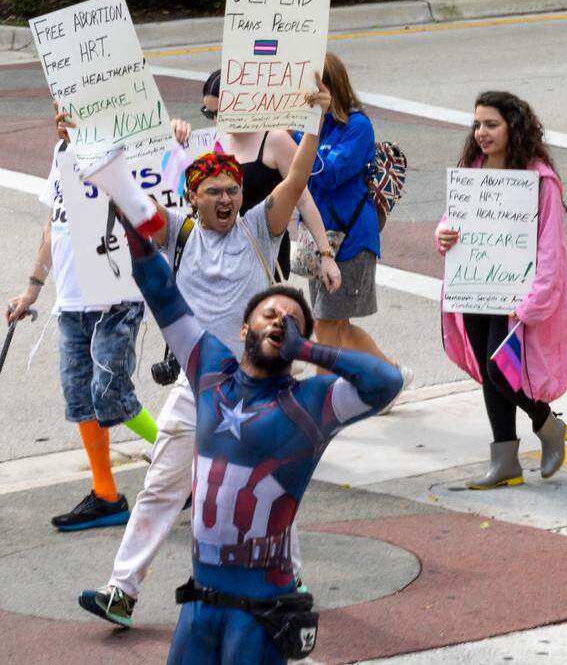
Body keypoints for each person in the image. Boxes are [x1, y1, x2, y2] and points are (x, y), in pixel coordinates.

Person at [78, 77, 332, 629]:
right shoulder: (176, 232)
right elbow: (132, 205)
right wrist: (89, 148)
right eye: (213, 191)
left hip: (260, 391)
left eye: (232, 190)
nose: (225, 199)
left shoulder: (260, 228)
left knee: (271, 491)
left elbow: (296, 178)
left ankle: (289, 581)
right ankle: (120, 590)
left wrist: (314, 120)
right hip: (195, 391)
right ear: (192, 196)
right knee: (160, 489)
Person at [119, 209, 402, 664]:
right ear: (243, 328)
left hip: (261, 617)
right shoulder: (210, 369)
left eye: (292, 321)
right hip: (198, 606)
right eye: (270, 313)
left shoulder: (311, 403)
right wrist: (133, 225)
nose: (280, 322)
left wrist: (309, 349)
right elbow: (160, 291)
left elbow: (386, 383)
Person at [5, 109, 158, 532]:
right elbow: (55, 222)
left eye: (68, 111)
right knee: (81, 398)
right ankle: (106, 493)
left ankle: (186, 462)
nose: (59, 118)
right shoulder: (61, 153)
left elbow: (155, 196)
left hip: (116, 294)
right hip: (72, 299)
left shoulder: (123, 150)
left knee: (110, 392)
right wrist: (33, 288)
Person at [436, 91, 567, 489]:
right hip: (475, 286)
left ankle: (547, 424)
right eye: (477, 124)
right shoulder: (472, 167)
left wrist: (533, 303)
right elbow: (451, 218)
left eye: (491, 124)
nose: (481, 132)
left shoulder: (540, 178)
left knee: (503, 370)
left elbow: (551, 247)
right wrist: (443, 233)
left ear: (513, 125)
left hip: (517, 298)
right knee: (487, 369)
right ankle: (504, 460)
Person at [297, 54, 410, 399]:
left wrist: (314, 124)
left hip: (350, 239)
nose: (309, 94)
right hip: (319, 238)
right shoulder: (307, 123)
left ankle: (321, 402)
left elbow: (327, 174)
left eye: (316, 86)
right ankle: (391, 377)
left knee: (329, 323)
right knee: (331, 323)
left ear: (332, 86)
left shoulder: (358, 127)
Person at [174, 70, 341, 290]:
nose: (216, 120)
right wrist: (174, 134)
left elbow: (304, 200)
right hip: (223, 257)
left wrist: (326, 254)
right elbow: (183, 191)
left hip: (263, 253)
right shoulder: (211, 141)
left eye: (221, 113)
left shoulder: (274, 139)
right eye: (209, 113)